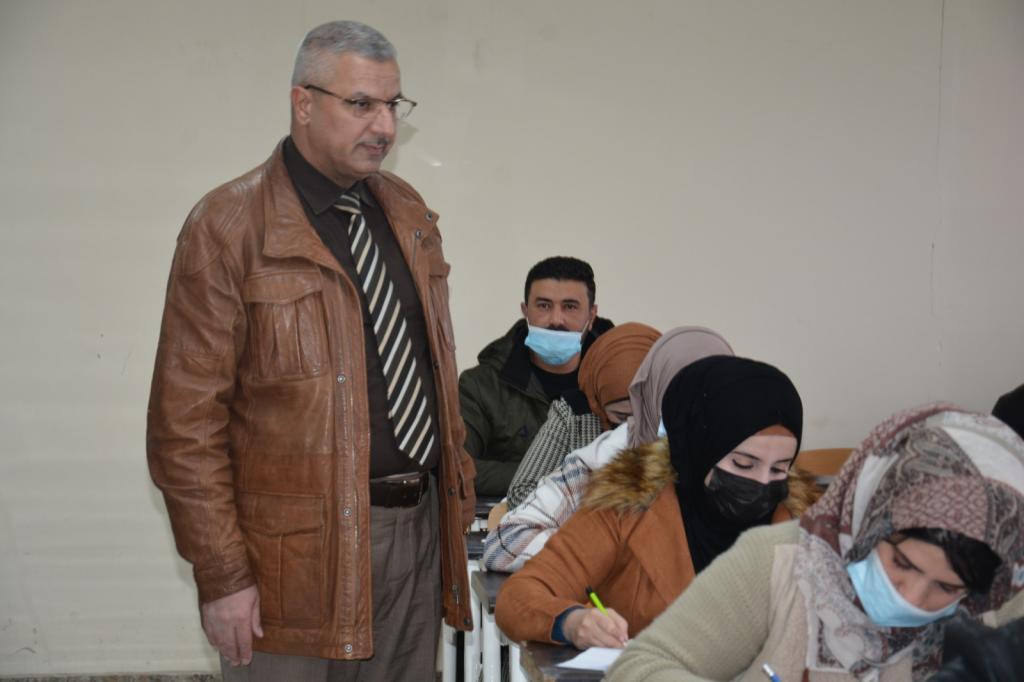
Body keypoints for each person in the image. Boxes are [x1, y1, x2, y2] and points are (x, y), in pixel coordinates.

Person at [146, 20, 476, 681]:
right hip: (289, 561)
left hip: (415, 537)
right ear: (303, 103)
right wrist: (222, 574)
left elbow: (431, 369)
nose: (385, 126)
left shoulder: (406, 212)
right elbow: (184, 427)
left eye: (393, 104)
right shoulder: (228, 225)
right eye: (361, 104)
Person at [608, 404, 1024, 681]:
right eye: (902, 563)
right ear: (867, 523)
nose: (912, 597)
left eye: (947, 588)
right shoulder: (778, 564)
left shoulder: (1004, 612)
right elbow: (639, 667)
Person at [495, 355, 819, 649]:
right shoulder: (626, 507)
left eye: (780, 469)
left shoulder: (803, 524)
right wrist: (572, 622)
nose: (762, 483)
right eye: (744, 464)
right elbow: (520, 597)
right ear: (699, 448)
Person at [481, 326, 735, 573]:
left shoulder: (750, 466)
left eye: (711, 400)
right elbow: (506, 542)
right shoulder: (602, 458)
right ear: (650, 396)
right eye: (679, 397)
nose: (694, 415)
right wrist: (602, 550)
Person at [458, 256, 614, 496]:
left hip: (600, 517)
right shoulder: (481, 385)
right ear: (525, 311)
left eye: (570, 307)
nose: (556, 320)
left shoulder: (617, 383)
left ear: (591, 316)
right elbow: (459, 467)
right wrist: (562, 476)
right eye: (544, 306)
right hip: (507, 517)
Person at [503, 322, 662, 510]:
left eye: (643, 414)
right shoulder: (574, 413)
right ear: (599, 403)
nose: (630, 427)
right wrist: (594, 509)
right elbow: (521, 491)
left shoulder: (676, 416)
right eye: (620, 416)